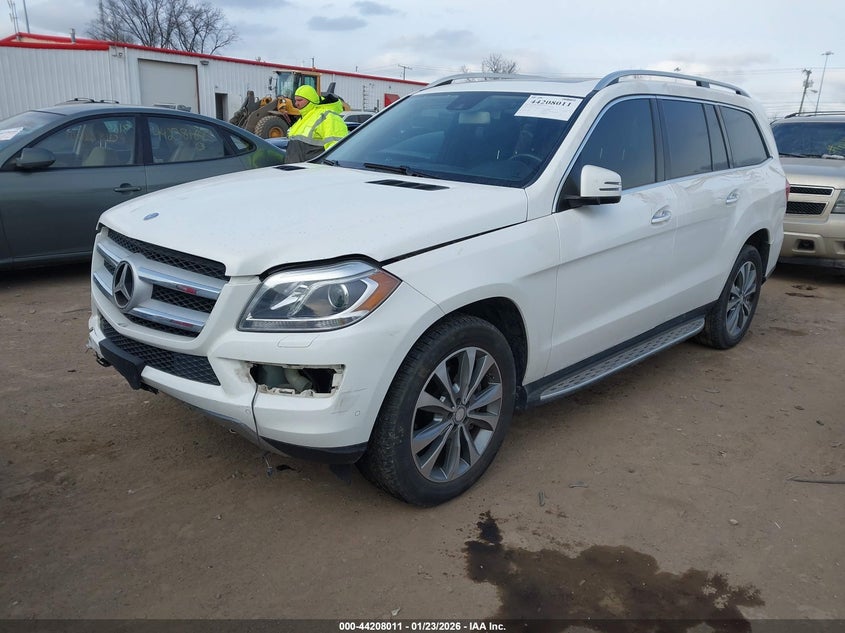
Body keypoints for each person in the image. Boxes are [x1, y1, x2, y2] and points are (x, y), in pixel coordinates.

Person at [284, 85, 349, 163]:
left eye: (300, 100)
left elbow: (337, 149)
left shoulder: (326, 116)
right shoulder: (303, 119)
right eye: (295, 100)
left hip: (313, 169)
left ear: (310, 100)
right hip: (296, 168)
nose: (296, 103)